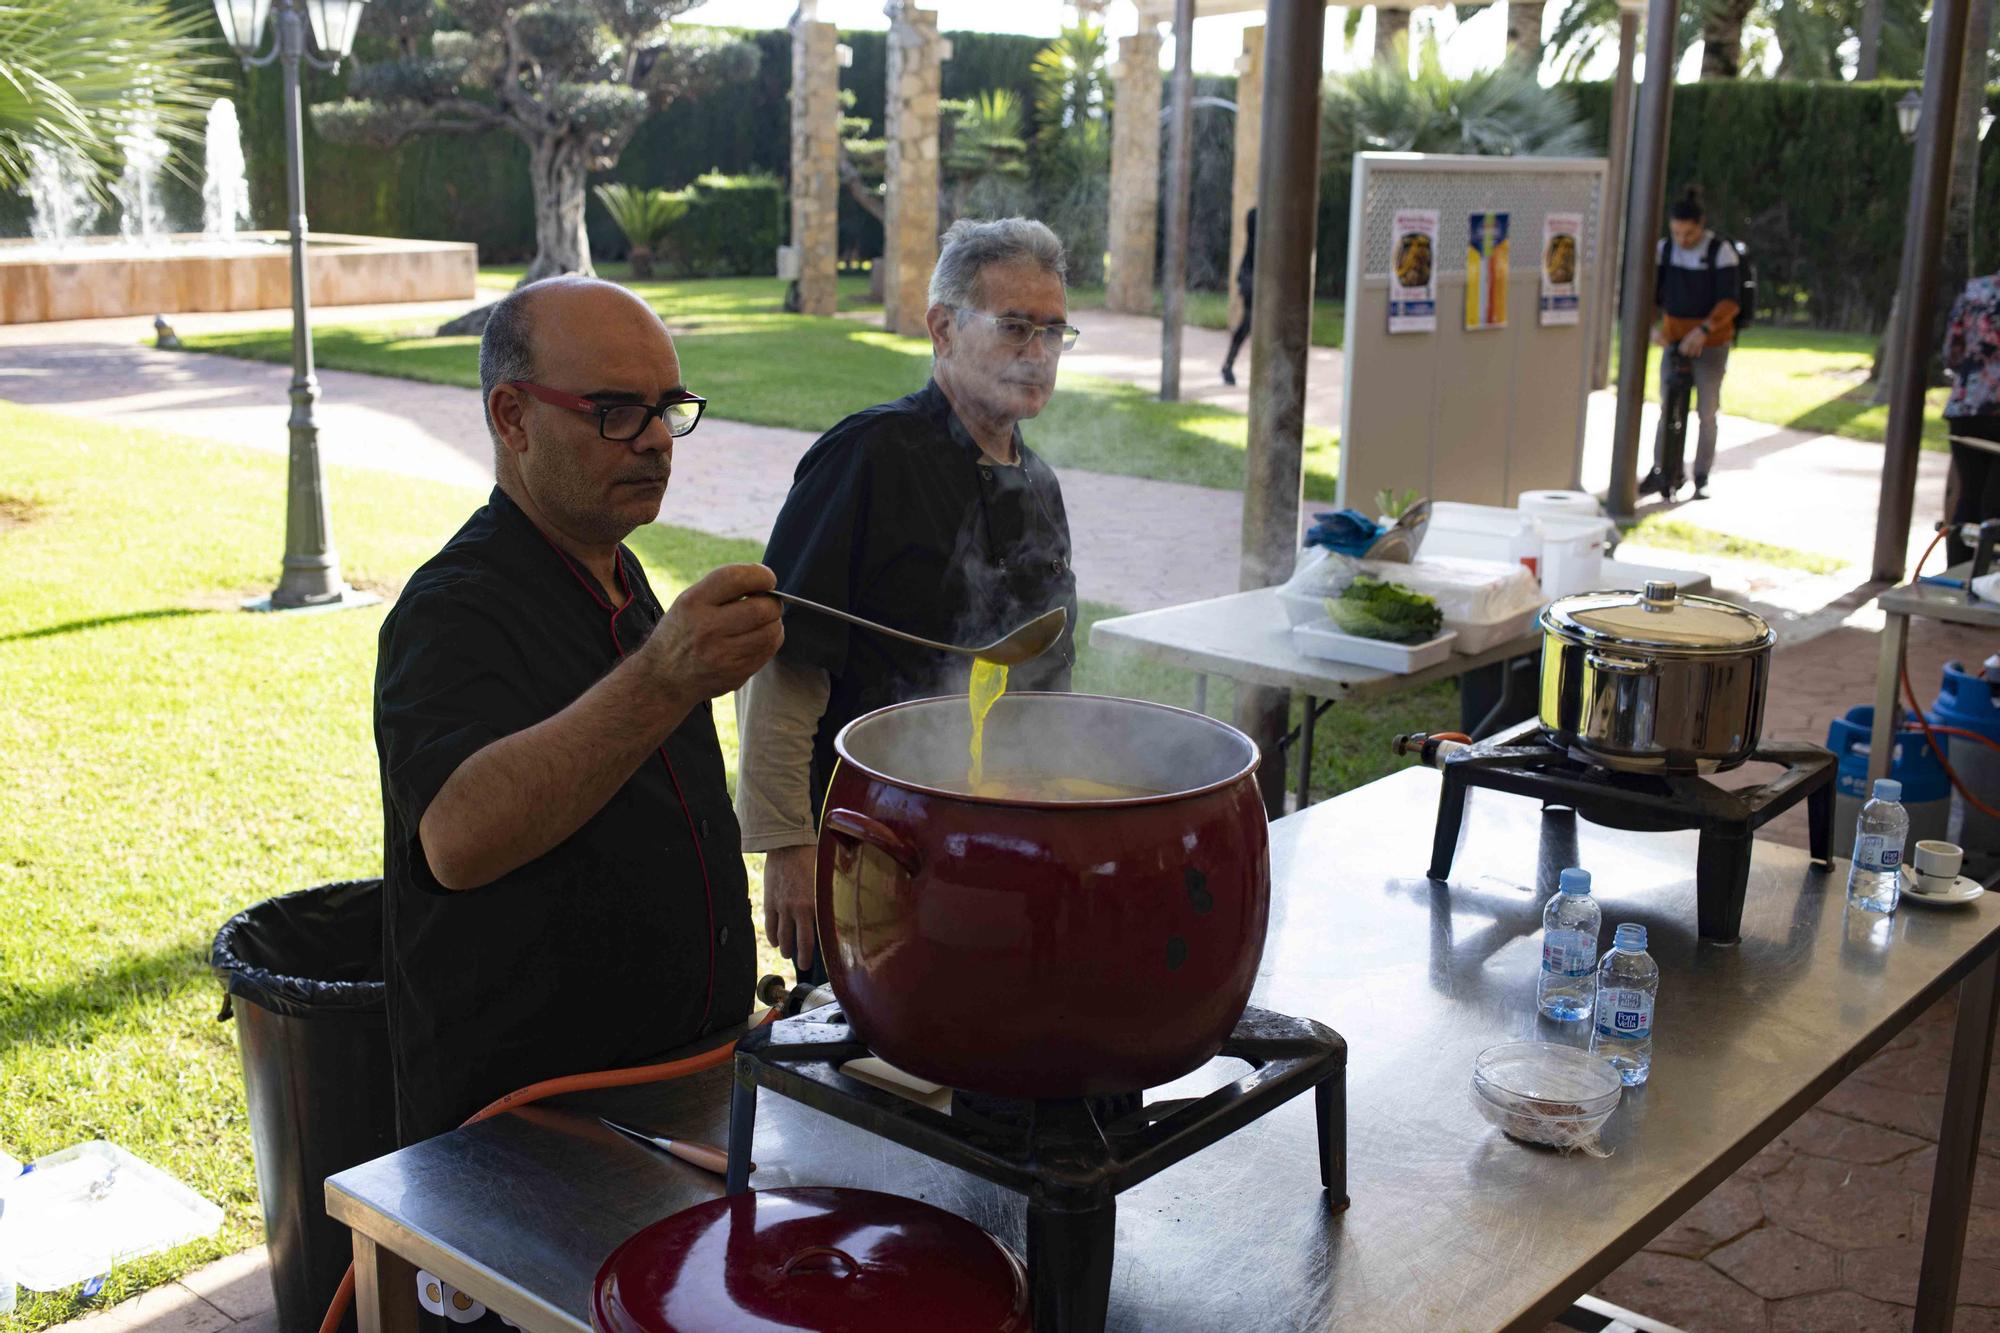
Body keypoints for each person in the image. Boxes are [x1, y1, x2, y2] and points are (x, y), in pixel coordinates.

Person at [373, 275, 784, 1147]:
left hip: (674, 1097)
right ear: (513, 417)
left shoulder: (618, 572)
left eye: (668, 408)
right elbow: (457, 836)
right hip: (525, 1133)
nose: (655, 443)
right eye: (614, 411)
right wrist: (667, 674)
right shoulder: (454, 606)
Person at [737, 217, 1082, 977]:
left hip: (1002, 837)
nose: (1039, 353)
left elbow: (1051, 681)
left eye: (1054, 333)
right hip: (876, 842)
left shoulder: (1041, 484)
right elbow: (783, 668)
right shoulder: (867, 457)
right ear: (943, 328)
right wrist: (788, 851)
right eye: (1017, 326)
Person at [1640, 186, 1741, 502]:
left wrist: (1704, 331)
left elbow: (1731, 301)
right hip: (1673, 340)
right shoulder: (1665, 250)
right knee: (1666, 405)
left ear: (1701, 225)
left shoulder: (1720, 251)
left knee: (1707, 411)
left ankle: (1701, 475)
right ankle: (1662, 469)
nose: (1683, 239)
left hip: (1711, 343)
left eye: (1689, 233)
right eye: (1677, 233)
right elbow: (1650, 295)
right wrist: (1653, 328)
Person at [1942, 267, 2000, 566]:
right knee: (1994, 502)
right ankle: (1984, 583)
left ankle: (1954, 578)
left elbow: (1952, 351)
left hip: (1968, 406)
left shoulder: (1976, 290)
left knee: (1969, 494)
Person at [1220, 206, 1255, 387]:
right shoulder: (1255, 216)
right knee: (1248, 323)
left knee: (1249, 324)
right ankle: (1228, 365)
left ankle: (1228, 365)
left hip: (1255, 277)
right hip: (1252, 277)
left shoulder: (1255, 215)